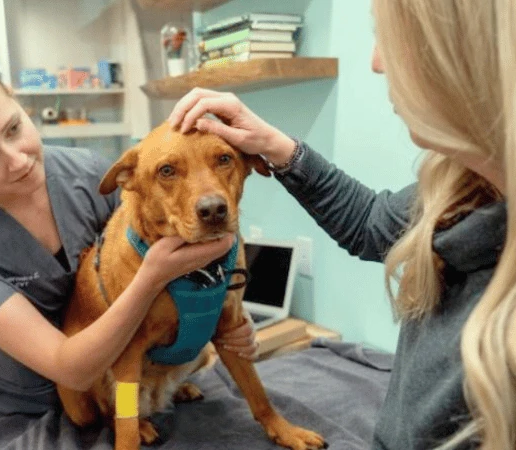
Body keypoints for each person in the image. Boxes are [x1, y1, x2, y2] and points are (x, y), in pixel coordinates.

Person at [168, 1, 515, 449]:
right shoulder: (459, 187)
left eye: (389, 39)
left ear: (465, 53)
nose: (375, 62)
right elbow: (372, 223)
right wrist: (277, 145)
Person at [0, 53, 258, 450]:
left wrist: (232, 315)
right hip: (20, 411)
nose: (18, 160)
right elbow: (72, 369)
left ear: (17, 101)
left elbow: (185, 264)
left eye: (13, 128)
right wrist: (150, 278)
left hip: (129, 383)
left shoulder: (91, 176)